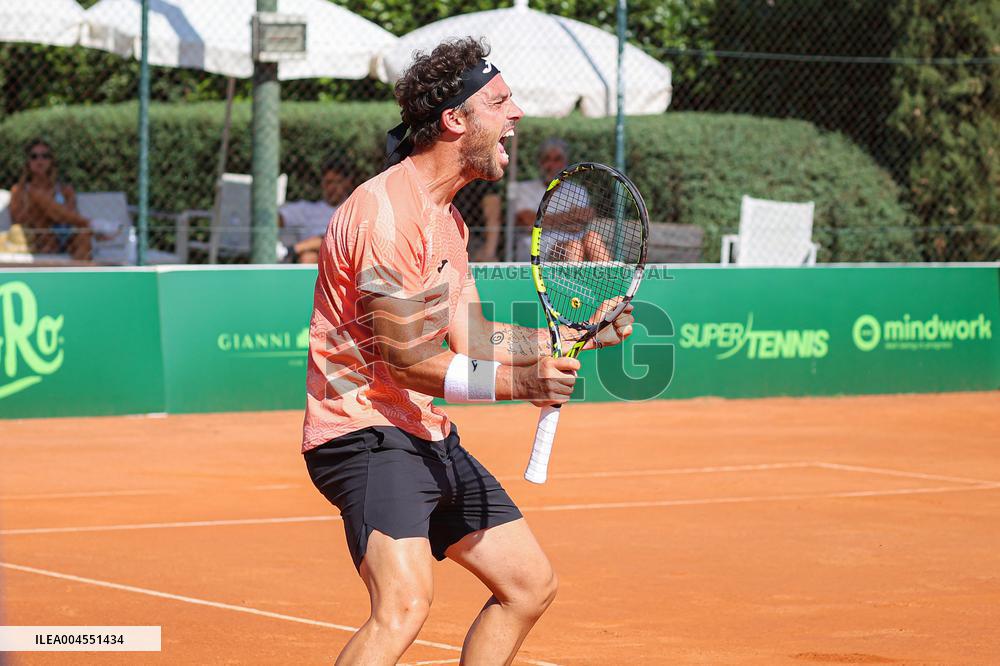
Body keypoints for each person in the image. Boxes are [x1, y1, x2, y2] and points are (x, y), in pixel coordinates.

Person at [302, 38, 635, 664]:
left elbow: (475, 337)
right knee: (402, 606)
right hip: (363, 432)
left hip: (426, 434)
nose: (517, 115)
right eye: (500, 101)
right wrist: (523, 384)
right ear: (456, 119)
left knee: (528, 587)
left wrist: (568, 333)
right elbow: (406, 362)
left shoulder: (447, 221)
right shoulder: (384, 216)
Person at [511, 137, 610, 262]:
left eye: (557, 159)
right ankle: (573, 281)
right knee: (574, 246)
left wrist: (545, 221)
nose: (552, 165)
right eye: (546, 159)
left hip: (575, 240)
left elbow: (582, 221)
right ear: (540, 163)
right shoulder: (523, 188)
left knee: (593, 238)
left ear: (565, 163)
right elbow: (528, 221)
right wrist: (571, 217)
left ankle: (613, 279)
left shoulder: (577, 189)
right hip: (537, 246)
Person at [9, 138, 93, 260]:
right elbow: (17, 219)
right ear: (28, 162)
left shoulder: (65, 189)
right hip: (39, 235)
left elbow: (69, 216)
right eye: (34, 156)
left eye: (45, 156)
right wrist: (40, 208)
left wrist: (51, 211)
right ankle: (93, 224)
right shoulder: (20, 190)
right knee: (38, 198)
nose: (40, 160)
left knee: (83, 235)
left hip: (65, 233)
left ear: (51, 161)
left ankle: (82, 276)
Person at [279, 156, 354, 263]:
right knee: (307, 258)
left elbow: (335, 238)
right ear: (322, 183)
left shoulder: (352, 208)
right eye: (329, 182)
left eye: (337, 182)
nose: (332, 187)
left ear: (347, 183)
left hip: (341, 258)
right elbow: (278, 219)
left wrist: (294, 249)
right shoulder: (308, 209)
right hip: (315, 257)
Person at [454, 178, 502, 262]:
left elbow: (493, 217)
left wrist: (489, 252)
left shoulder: (484, 180)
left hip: (475, 239)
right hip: (449, 234)